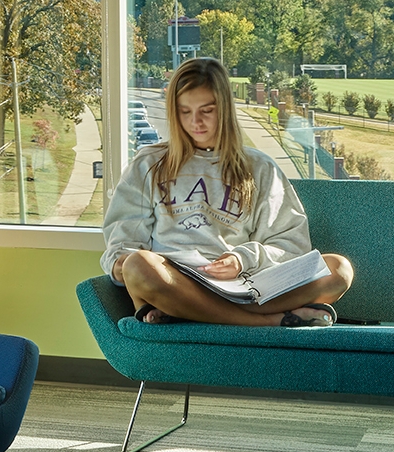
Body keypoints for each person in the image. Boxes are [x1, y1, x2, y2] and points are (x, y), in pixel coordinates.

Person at [101, 56, 356, 328]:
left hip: (246, 285)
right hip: (177, 281)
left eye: (207, 111)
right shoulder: (148, 164)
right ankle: (269, 322)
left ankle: (188, 312)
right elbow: (122, 247)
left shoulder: (260, 168)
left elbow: (293, 246)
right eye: (184, 111)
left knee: (338, 269)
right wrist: (125, 265)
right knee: (139, 265)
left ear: (224, 109)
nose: (195, 122)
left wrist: (242, 258)